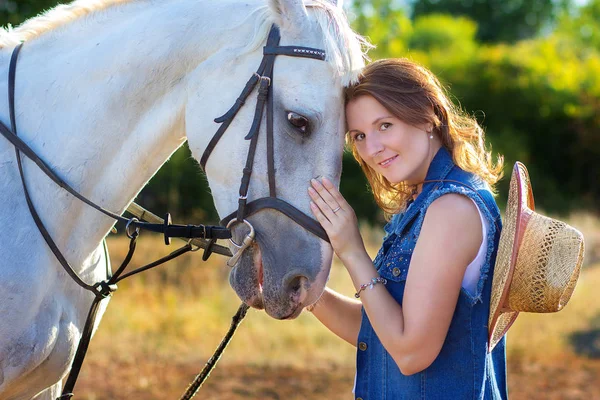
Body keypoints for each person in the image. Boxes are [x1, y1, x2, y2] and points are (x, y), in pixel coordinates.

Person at [306, 58, 508, 399]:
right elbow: (379, 331)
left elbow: (411, 353)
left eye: (385, 125)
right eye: (358, 135)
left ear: (428, 114)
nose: (371, 149)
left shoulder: (451, 208)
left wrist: (352, 250)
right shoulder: (425, 201)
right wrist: (306, 291)